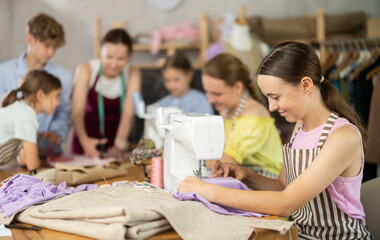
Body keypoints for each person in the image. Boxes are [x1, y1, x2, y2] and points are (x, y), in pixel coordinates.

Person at [178, 42, 373, 239]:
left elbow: (285, 204)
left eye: (276, 97)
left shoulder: (343, 137)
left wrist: (205, 190)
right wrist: (247, 175)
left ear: (306, 85)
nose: (271, 107)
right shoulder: (300, 127)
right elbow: (283, 186)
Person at [0, 13, 72, 158]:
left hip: (49, 155)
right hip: (12, 158)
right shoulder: (3, 73)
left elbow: (64, 113)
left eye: (55, 47)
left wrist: (56, 132)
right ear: (30, 39)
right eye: (47, 46)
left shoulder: (64, 77)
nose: (51, 52)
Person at [202, 53, 283, 178]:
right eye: (207, 92)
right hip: (246, 173)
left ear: (238, 87)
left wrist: (191, 155)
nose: (210, 100)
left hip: (267, 179)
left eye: (216, 94)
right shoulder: (227, 109)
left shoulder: (253, 117)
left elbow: (228, 162)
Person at [72, 28, 141, 158]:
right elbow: (77, 113)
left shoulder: (132, 73)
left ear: (129, 56)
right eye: (109, 57)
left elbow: (128, 114)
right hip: (85, 141)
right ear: (100, 51)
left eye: (121, 59)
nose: (114, 64)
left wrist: (118, 146)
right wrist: (84, 141)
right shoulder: (86, 70)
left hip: (116, 143)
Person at [0, 70, 62, 171]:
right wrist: (39, 162)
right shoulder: (27, 117)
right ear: (40, 95)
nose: (59, 102)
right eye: (57, 96)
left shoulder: (20, 109)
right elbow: (32, 165)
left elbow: (24, 158)